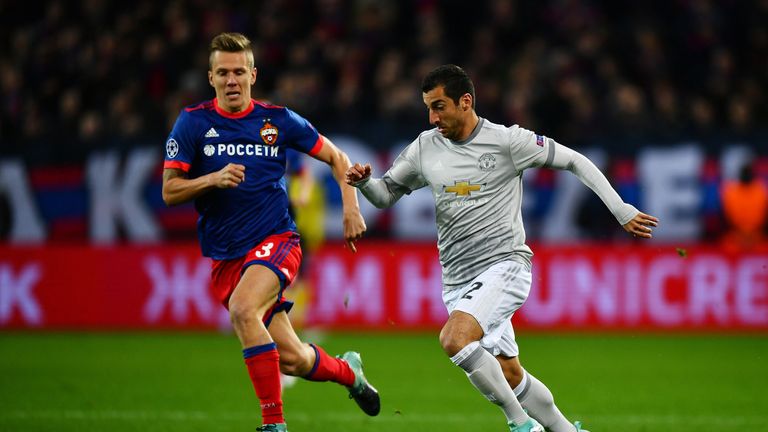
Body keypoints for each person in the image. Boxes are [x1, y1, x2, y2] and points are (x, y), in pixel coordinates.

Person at [346, 64, 659, 432]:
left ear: (465, 102)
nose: (432, 118)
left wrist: (620, 210)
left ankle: (521, 424)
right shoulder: (424, 148)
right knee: (510, 373)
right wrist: (366, 184)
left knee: (454, 338)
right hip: (458, 281)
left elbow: (574, 160)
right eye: (428, 108)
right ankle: (566, 430)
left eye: (439, 106)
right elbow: (385, 196)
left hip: (505, 265)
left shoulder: (508, 141)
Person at [161, 32, 380, 432]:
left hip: (276, 241)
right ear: (210, 78)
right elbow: (169, 190)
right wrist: (211, 180)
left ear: (253, 75)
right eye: (223, 72)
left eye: (239, 71)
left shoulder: (277, 120)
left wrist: (351, 206)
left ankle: (273, 424)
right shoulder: (192, 123)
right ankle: (350, 373)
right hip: (227, 257)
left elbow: (337, 156)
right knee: (294, 357)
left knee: (243, 310)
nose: (232, 80)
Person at [720, 161, 768, 253]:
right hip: (735, 238)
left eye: (748, 173)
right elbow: (726, 217)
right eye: (745, 173)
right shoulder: (730, 191)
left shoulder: (762, 190)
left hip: (757, 238)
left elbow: (764, 217)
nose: (746, 176)